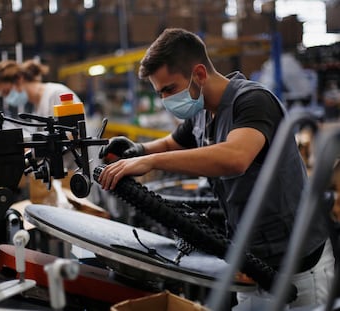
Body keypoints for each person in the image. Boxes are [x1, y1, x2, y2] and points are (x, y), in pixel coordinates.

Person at [97, 28, 334, 308]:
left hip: (299, 266)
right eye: (160, 93)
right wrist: (138, 149)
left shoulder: (253, 102)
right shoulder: (201, 112)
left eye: (169, 89)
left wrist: (149, 161)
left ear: (198, 74)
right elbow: (174, 143)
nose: (165, 100)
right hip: (251, 265)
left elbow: (235, 157)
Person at [0, 59, 81, 118]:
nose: (8, 98)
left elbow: (74, 137)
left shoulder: (57, 94)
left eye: (7, 92)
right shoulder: (37, 107)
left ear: (19, 79)